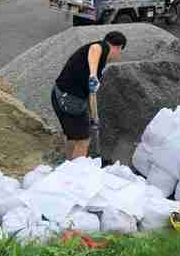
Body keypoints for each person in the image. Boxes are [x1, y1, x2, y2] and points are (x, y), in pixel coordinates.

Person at [52, 31, 127, 160]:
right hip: (70, 99)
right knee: (83, 140)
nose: (119, 54)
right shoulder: (101, 47)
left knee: (72, 135)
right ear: (118, 47)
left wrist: (94, 117)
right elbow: (95, 49)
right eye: (120, 51)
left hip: (58, 94)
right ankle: (75, 174)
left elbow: (92, 93)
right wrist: (92, 74)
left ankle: (67, 167)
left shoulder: (99, 62)